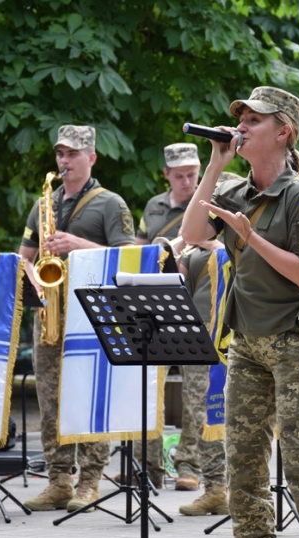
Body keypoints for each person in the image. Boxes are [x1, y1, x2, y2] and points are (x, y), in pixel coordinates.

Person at [182, 86, 299, 538]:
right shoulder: (236, 190)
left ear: (283, 132)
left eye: (254, 121)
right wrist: (216, 163)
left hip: (296, 344)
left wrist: (250, 237)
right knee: (243, 461)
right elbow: (193, 236)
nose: (242, 126)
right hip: (247, 343)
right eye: (240, 118)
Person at [19, 125, 136, 513]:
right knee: (49, 399)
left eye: (72, 154)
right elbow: (25, 256)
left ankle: (90, 480)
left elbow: (127, 259)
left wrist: (77, 244)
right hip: (50, 310)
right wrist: (33, 277)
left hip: (92, 313)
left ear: (92, 157)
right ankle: (58, 480)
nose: (64, 161)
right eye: (60, 154)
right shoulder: (44, 204)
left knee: (89, 394)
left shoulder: (111, 203)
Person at [135, 142, 202, 490]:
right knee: (150, 388)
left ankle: (189, 465)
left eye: (192, 174)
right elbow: (142, 247)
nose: (188, 181)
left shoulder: (207, 201)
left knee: (195, 393)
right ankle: (148, 465)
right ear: (167, 175)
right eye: (180, 176)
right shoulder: (153, 206)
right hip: (157, 306)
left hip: (195, 306)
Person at [176, 237, 230, 516]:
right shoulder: (194, 246)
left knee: (224, 411)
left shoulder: (238, 231)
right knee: (199, 410)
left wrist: (216, 247)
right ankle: (215, 488)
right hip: (195, 327)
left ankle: (228, 487)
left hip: (228, 325)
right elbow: (178, 281)